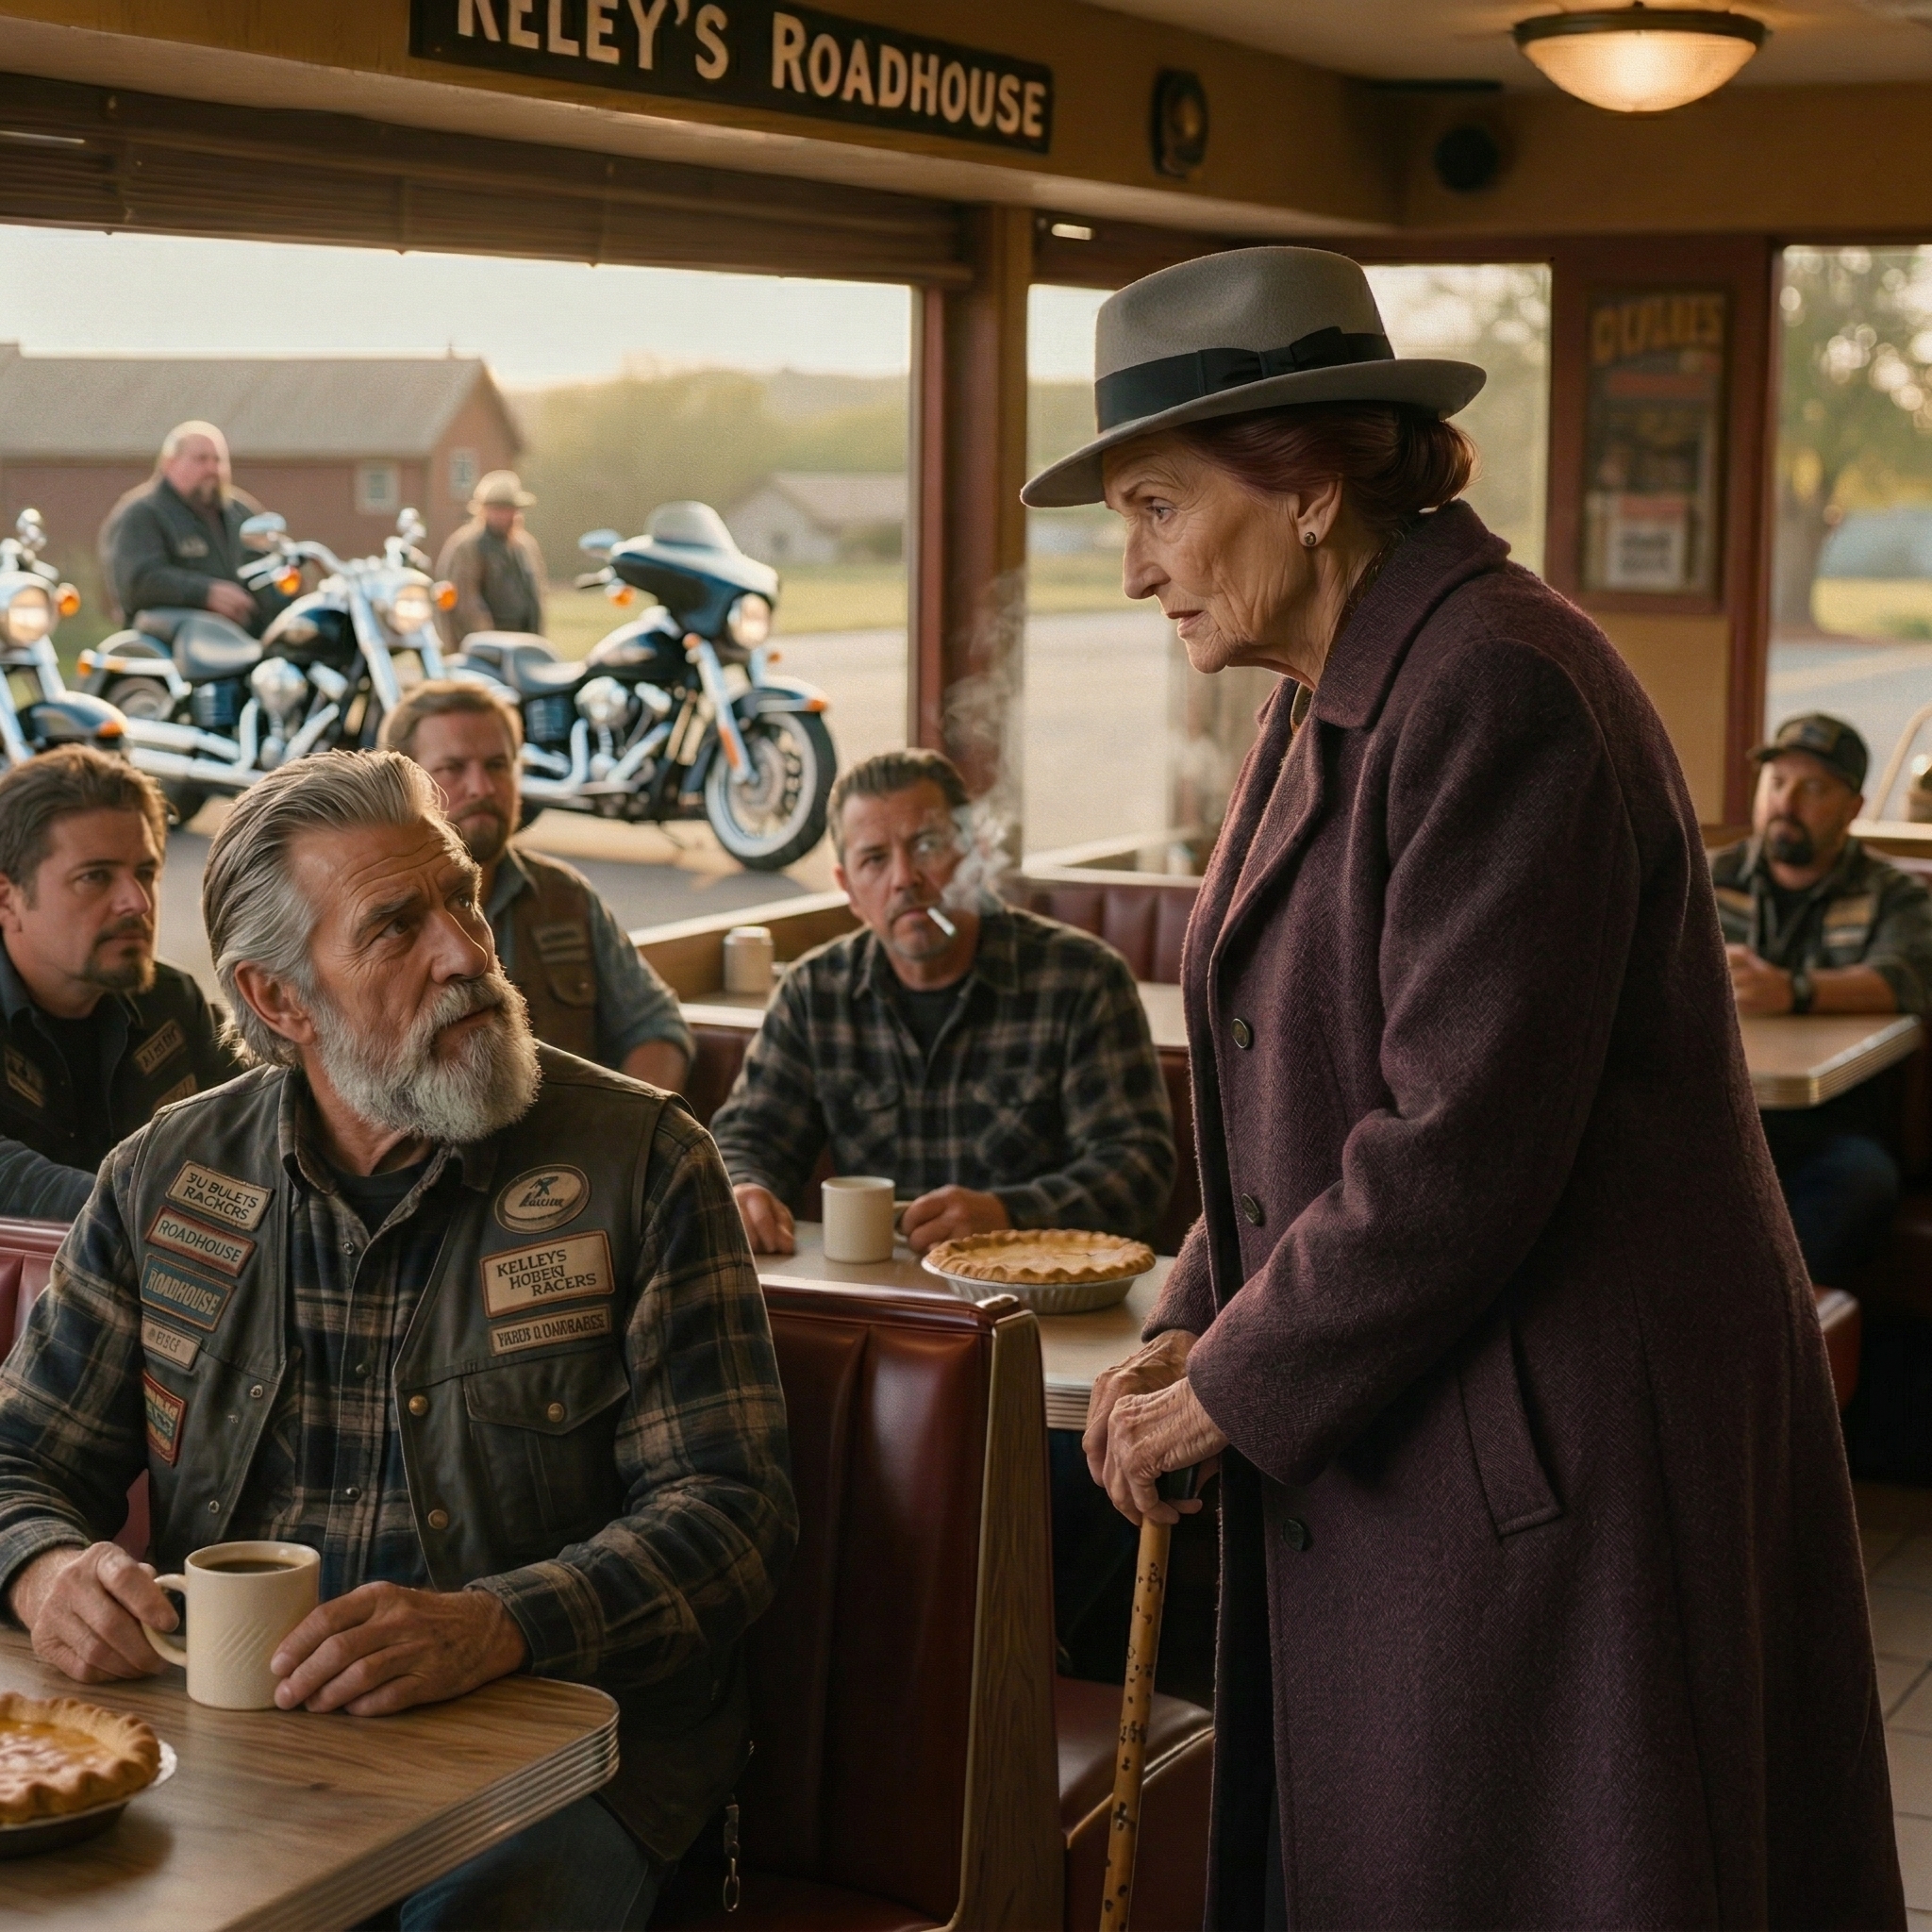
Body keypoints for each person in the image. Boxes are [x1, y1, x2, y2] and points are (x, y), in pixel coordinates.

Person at [1044, 247, 1902, 1927]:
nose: (1133, 564)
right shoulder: (1325, 686)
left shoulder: (1494, 680)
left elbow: (1457, 1136)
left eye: (1154, 503)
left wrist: (1232, 1373)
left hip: (1557, 1450)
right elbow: (1287, 1083)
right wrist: (1195, 1306)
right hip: (1434, 1410)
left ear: (1304, 482)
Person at [0, 750, 794, 1930]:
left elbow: (730, 1516)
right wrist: (45, 1567)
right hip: (243, 1752)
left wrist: (501, 1622)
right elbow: (19, 1458)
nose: (468, 950)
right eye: (395, 925)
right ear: (277, 999)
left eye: (462, 896)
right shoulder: (164, 1178)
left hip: (567, 1762)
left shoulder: (642, 1162)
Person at [709, 747, 1174, 1257]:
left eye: (926, 846)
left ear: (972, 854)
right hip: (879, 1293)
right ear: (848, 889)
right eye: (874, 859)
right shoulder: (814, 993)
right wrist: (745, 1186)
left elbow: (1137, 1168)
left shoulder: (1082, 979)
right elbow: (750, 1137)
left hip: (1043, 1295)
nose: (904, 878)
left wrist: (1008, 1214)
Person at [380, 680, 692, 1090]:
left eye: (497, 765)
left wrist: (623, 1137)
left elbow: (655, 1025)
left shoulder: (565, 897)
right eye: (452, 769)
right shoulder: (382, 915)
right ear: (405, 788)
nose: (483, 787)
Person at [1711, 711, 1932, 1287]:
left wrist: (1795, 991)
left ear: (1853, 808)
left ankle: (1764, 1322)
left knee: (1863, 1179)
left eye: (1813, 788)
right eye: (1778, 782)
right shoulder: (1707, 876)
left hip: (1833, 1127)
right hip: (1721, 1114)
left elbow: (1910, 977)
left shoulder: (1892, 892)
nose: (1787, 802)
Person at [0, 747, 242, 1220]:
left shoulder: (170, 1003)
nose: (137, 902)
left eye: (145, 873)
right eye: (95, 877)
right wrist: (151, 1214)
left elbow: (267, 1113)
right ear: (7, 899)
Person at [99, 421, 277, 632]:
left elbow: (269, 565)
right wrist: (204, 593)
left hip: (246, 640)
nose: (212, 468)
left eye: (218, 460)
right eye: (201, 459)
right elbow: (138, 583)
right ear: (169, 463)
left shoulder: (241, 513)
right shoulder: (142, 514)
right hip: (173, 646)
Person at [435, 470, 547, 646]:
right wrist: (491, 643)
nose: (504, 515)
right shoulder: (467, 547)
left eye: (509, 509)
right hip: (481, 648)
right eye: (498, 509)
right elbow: (466, 605)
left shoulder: (525, 547)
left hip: (524, 643)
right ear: (483, 510)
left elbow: (536, 596)